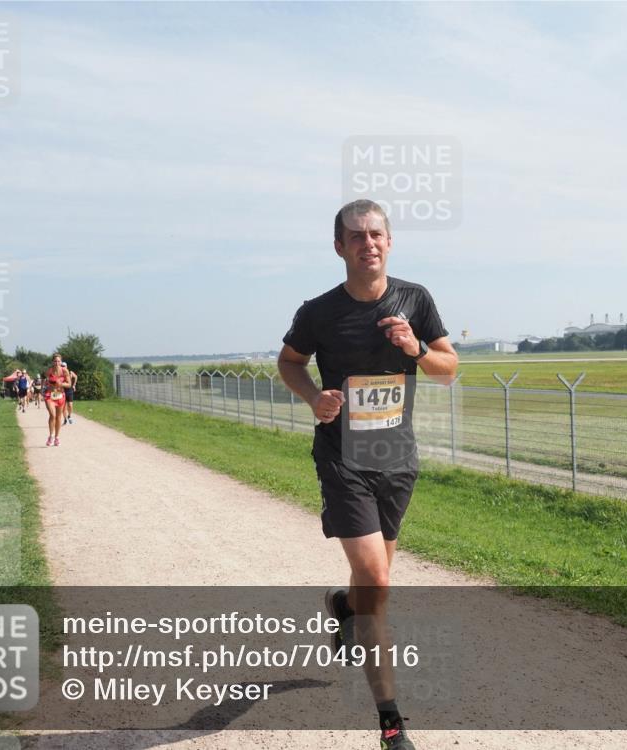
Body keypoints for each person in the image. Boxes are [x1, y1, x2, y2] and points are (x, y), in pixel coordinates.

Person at [277, 200, 457, 750]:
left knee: (371, 594)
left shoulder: (415, 299)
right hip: (342, 459)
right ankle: (391, 723)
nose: (368, 244)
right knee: (377, 580)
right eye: (356, 237)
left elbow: (449, 369)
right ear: (339, 247)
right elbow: (288, 361)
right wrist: (314, 397)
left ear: (390, 241)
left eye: (376, 234)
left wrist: (417, 348)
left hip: (396, 459)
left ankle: (343, 608)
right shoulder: (319, 312)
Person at [43, 354, 69, 446]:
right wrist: (49, 385)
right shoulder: (49, 371)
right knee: (52, 415)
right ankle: (51, 436)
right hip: (50, 395)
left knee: (58, 417)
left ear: (61, 362)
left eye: (58, 361)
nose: (57, 363)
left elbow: (69, 384)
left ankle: (56, 438)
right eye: (55, 361)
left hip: (60, 395)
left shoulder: (64, 371)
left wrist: (61, 384)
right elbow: (46, 381)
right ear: (52, 362)